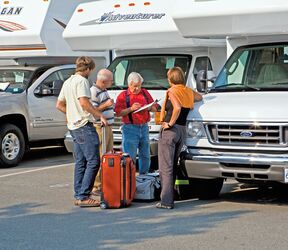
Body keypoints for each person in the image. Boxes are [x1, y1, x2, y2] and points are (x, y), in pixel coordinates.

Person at [56, 56, 107, 207]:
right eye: (91, 70)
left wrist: (71, 114)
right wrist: (99, 115)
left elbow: (59, 105)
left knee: (81, 161)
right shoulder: (82, 81)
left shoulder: (68, 81)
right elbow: (84, 102)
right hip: (84, 125)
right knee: (93, 161)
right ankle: (84, 196)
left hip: (73, 126)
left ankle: (79, 194)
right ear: (89, 69)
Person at [156, 67, 202, 209]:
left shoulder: (172, 91)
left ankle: (166, 201)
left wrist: (169, 123)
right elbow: (200, 97)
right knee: (173, 165)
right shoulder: (188, 91)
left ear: (170, 79)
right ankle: (172, 194)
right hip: (182, 131)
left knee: (165, 166)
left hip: (171, 129)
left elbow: (176, 108)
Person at [115, 72, 158, 174]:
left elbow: (155, 107)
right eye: (135, 86)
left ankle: (144, 177)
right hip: (130, 128)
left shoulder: (145, 92)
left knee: (145, 155)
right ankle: (129, 179)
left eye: (139, 86)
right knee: (130, 156)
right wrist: (131, 109)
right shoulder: (123, 95)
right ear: (129, 84)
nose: (137, 88)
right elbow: (118, 113)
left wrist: (149, 108)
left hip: (144, 127)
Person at [90, 69, 114, 196]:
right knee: (101, 155)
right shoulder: (94, 91)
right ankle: (96, 186)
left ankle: (105, 182)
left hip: (108, 126)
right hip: (100, 127)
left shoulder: (103, 90)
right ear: (104, 81)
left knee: (108, 154)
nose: (112, 82)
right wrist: (106, 105)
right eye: (111, 80)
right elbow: (93, 110)